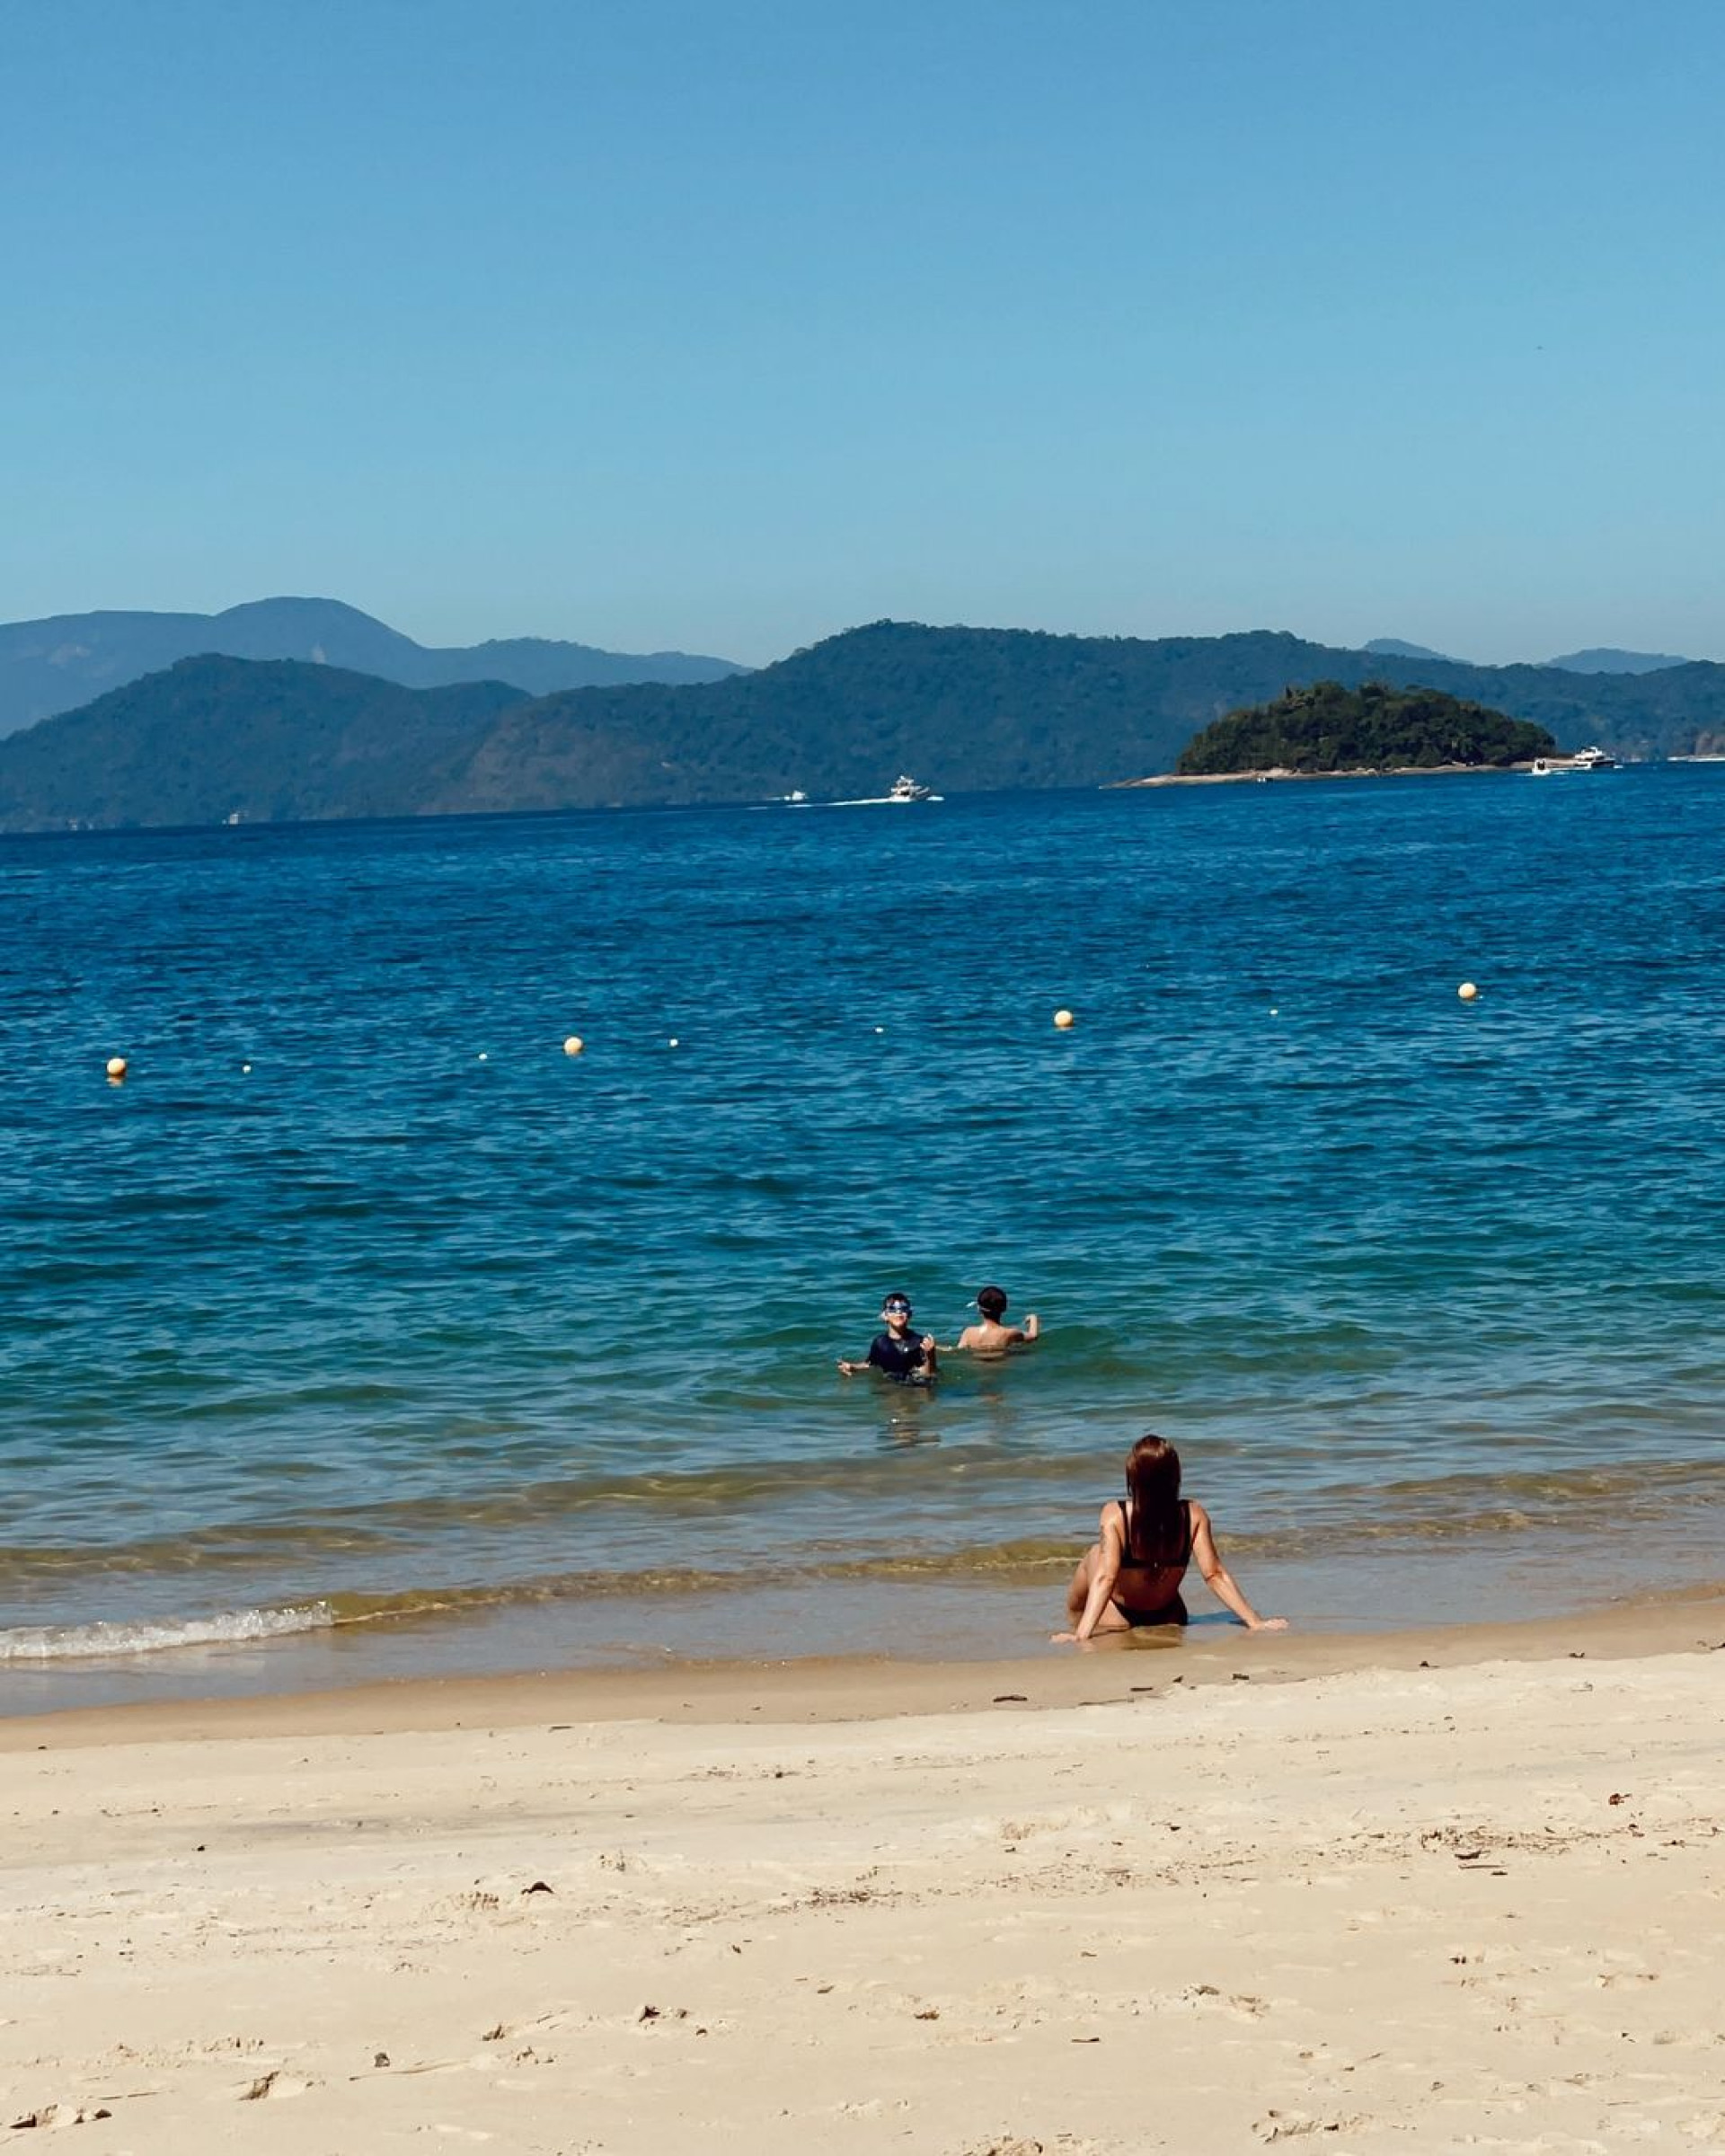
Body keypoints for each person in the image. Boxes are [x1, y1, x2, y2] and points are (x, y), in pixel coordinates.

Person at [1053, 1434, 1287, 1641]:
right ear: (1176, 1476)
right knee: (1101, 1557)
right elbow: (1214, 1574)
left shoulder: (1116, 1515)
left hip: (1119, 1618)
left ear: (1132, 1478)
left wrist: (1081, 1634)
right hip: (1169, 1614)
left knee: (1095, 1555)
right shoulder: (1192, 1514)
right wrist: (1255, 1621)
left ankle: (1074, 1626)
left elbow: (1106, 1577)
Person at [837, 1292, 939, 1382]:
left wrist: (930, 1355)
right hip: (891, 1385)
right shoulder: (880, 1342)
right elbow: (870, 1364)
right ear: (884, 1316)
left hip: (914, 1387)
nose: (898, 1312)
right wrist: (853, 1367)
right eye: (892, 1309)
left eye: (903, 1309)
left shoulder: (917, 1342)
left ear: (909, 1315)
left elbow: (927, 1376)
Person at [951, 1284, 1039, 1355]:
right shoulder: (1010, 1333)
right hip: (1002, 1369)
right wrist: (1033, 1318)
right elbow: (1033, 1336)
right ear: (1005, 1308)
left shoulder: (969, 1332)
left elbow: (957, 1350)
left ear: (978, 1308)